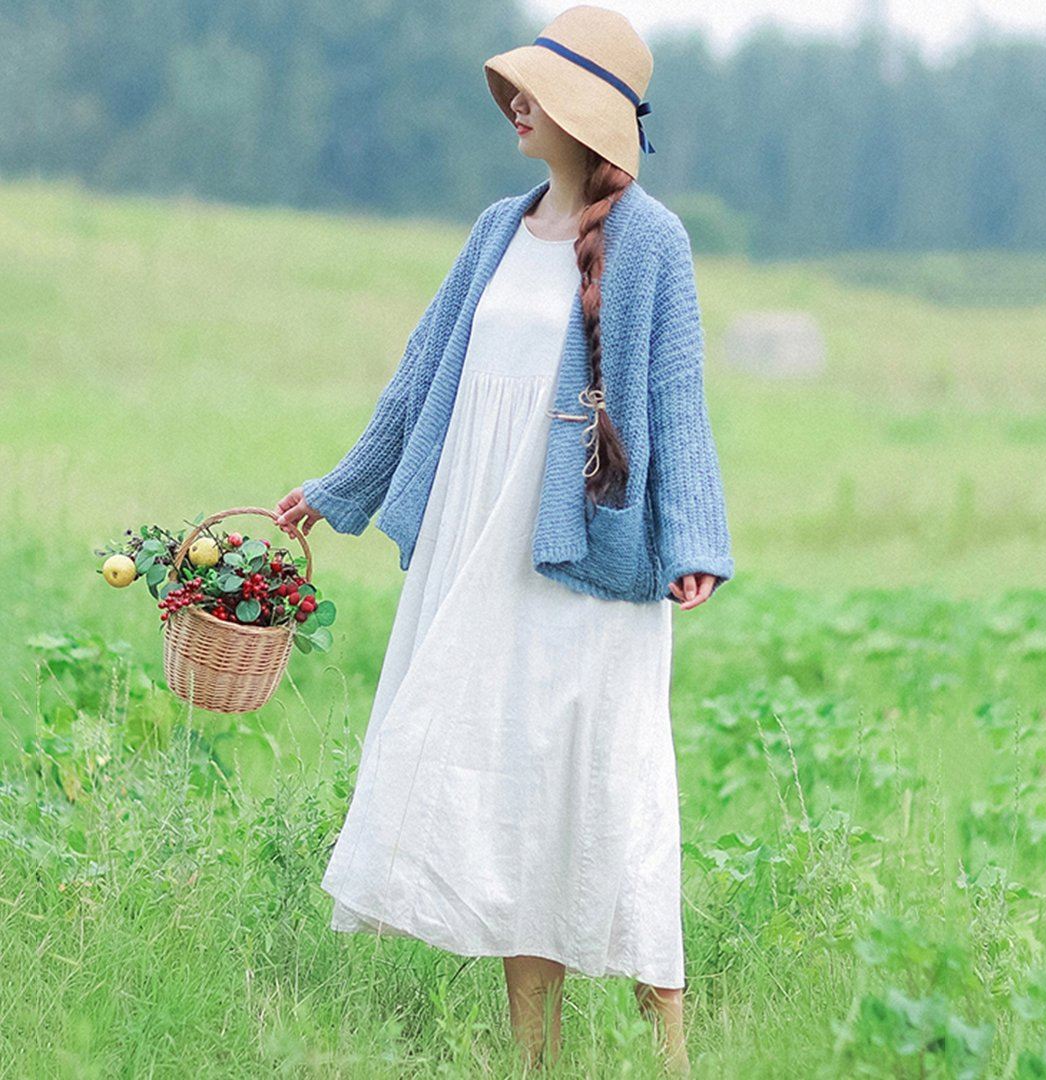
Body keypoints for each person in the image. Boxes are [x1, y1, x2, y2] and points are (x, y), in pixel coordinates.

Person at [275, 6, 733, 1073]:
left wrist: (693, 534)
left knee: (608, 780)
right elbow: (420, 379)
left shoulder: (652, 242)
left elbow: (678, 396)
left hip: (586, 551)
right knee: (507, 778)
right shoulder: (495, 229)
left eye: (536, 90)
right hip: (473, 546)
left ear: (586, 112)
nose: (514, 104)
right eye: (515, 87)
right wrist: (338, 490)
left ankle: (672, 1047)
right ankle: (534, 1054)